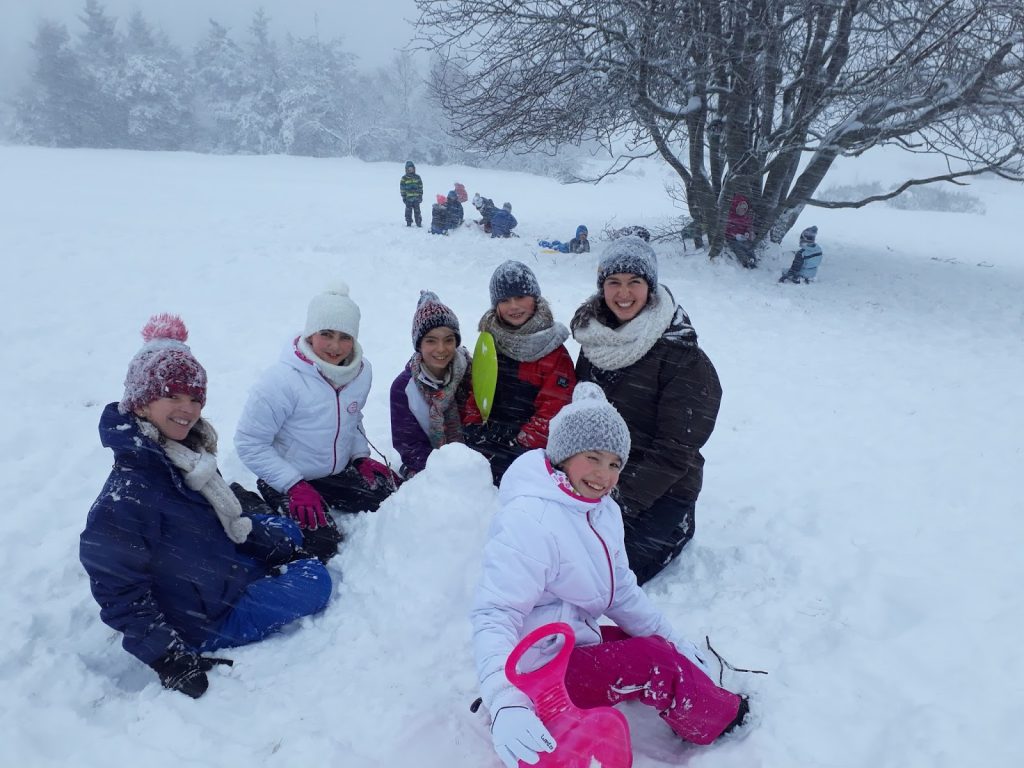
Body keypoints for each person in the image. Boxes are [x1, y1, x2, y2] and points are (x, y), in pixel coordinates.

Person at [471, 384, 748, 768]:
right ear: (564, 455)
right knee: (653, 661)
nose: (604, 475)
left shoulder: (600, 511)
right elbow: (495, 614)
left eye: (615, 464)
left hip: (570, 645)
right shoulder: (529, 521)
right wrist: (506, 700)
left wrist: (674, 640)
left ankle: (692, 686)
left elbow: (621, 592)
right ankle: (724, 719)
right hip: (538, 674)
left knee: (655, 646)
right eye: (593, 458)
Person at [81, 314, 331, 699]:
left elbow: (216, 523)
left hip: (216, 569)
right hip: (207, 618)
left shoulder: (184, 458)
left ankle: (266, 538)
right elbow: (117, 587)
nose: (188, 408)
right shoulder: (130, 494)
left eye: (195, 398)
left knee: (288, 532)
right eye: (173, 396)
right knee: (315, 579)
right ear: (142, 404)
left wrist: (279, 548)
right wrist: (168, 657)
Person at [571, 237, 722, 585]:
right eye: (614, 282)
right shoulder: (595, 341)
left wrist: (616, 500)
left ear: (650, 288)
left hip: (661, 488)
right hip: (598, 473)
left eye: (634, 282)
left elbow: (675, 451)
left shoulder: (681, 356)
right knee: (558, 553)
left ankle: (677, 527)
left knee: (606, 572)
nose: (623, 293)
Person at [234, 283, 398, 563]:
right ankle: (247, 503)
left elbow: (352, 417)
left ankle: (324, 493)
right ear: (311, 334)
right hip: (287, 477)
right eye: (326, 334)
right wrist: (292, 484)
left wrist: (360, 457)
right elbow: (249, 443)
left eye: (345, 337)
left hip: (333, 472)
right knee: (322, 545)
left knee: (392, 495)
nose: (335, 346)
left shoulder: (361, 372)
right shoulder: (281, 381)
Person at [463, 261, 576, 484]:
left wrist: (518, 444)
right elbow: (478, 390)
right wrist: (473, 426)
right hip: (489, 444)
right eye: (504, 300)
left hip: (531, 456)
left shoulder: (553, 351)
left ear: (535, 298)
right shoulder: (490, 344)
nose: (513, 306)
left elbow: (554, 408)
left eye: (520, 297)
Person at [390, 291, 474, 478]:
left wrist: (471, 463)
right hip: (432, 468)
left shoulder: (471, 373)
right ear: (419, 344)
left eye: (448, 340)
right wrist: (446, 469)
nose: (441, 349)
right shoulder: (403, 388)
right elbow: (409, 446)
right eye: (431, 341)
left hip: (473, 463)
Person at [724, 194, 757, 267]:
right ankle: (745, 260)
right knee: (737, 247)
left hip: (742, 237)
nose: (743, 211)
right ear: (736, 207)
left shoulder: (745, 218)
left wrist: (747, 233)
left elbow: (747, 227)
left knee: (748, 246)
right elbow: (726, 229)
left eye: (745, 209)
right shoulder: (730, 217)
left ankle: (752, 259)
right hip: (732, 238)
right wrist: (734, 235)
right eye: (741, 208)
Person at [400, 160, 423, 228]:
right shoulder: (404, 178)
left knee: (417, 211)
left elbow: (420, 187)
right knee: (408, 212)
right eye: (409, 169)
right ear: (406, 169)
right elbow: (402, 189)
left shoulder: (417, 177)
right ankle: (408, 222)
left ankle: (418, 222)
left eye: (411, 168)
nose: (410, 170)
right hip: (408, 198)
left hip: (416, 198)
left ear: (414, 169)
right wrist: (404, 197)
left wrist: (420, 196)